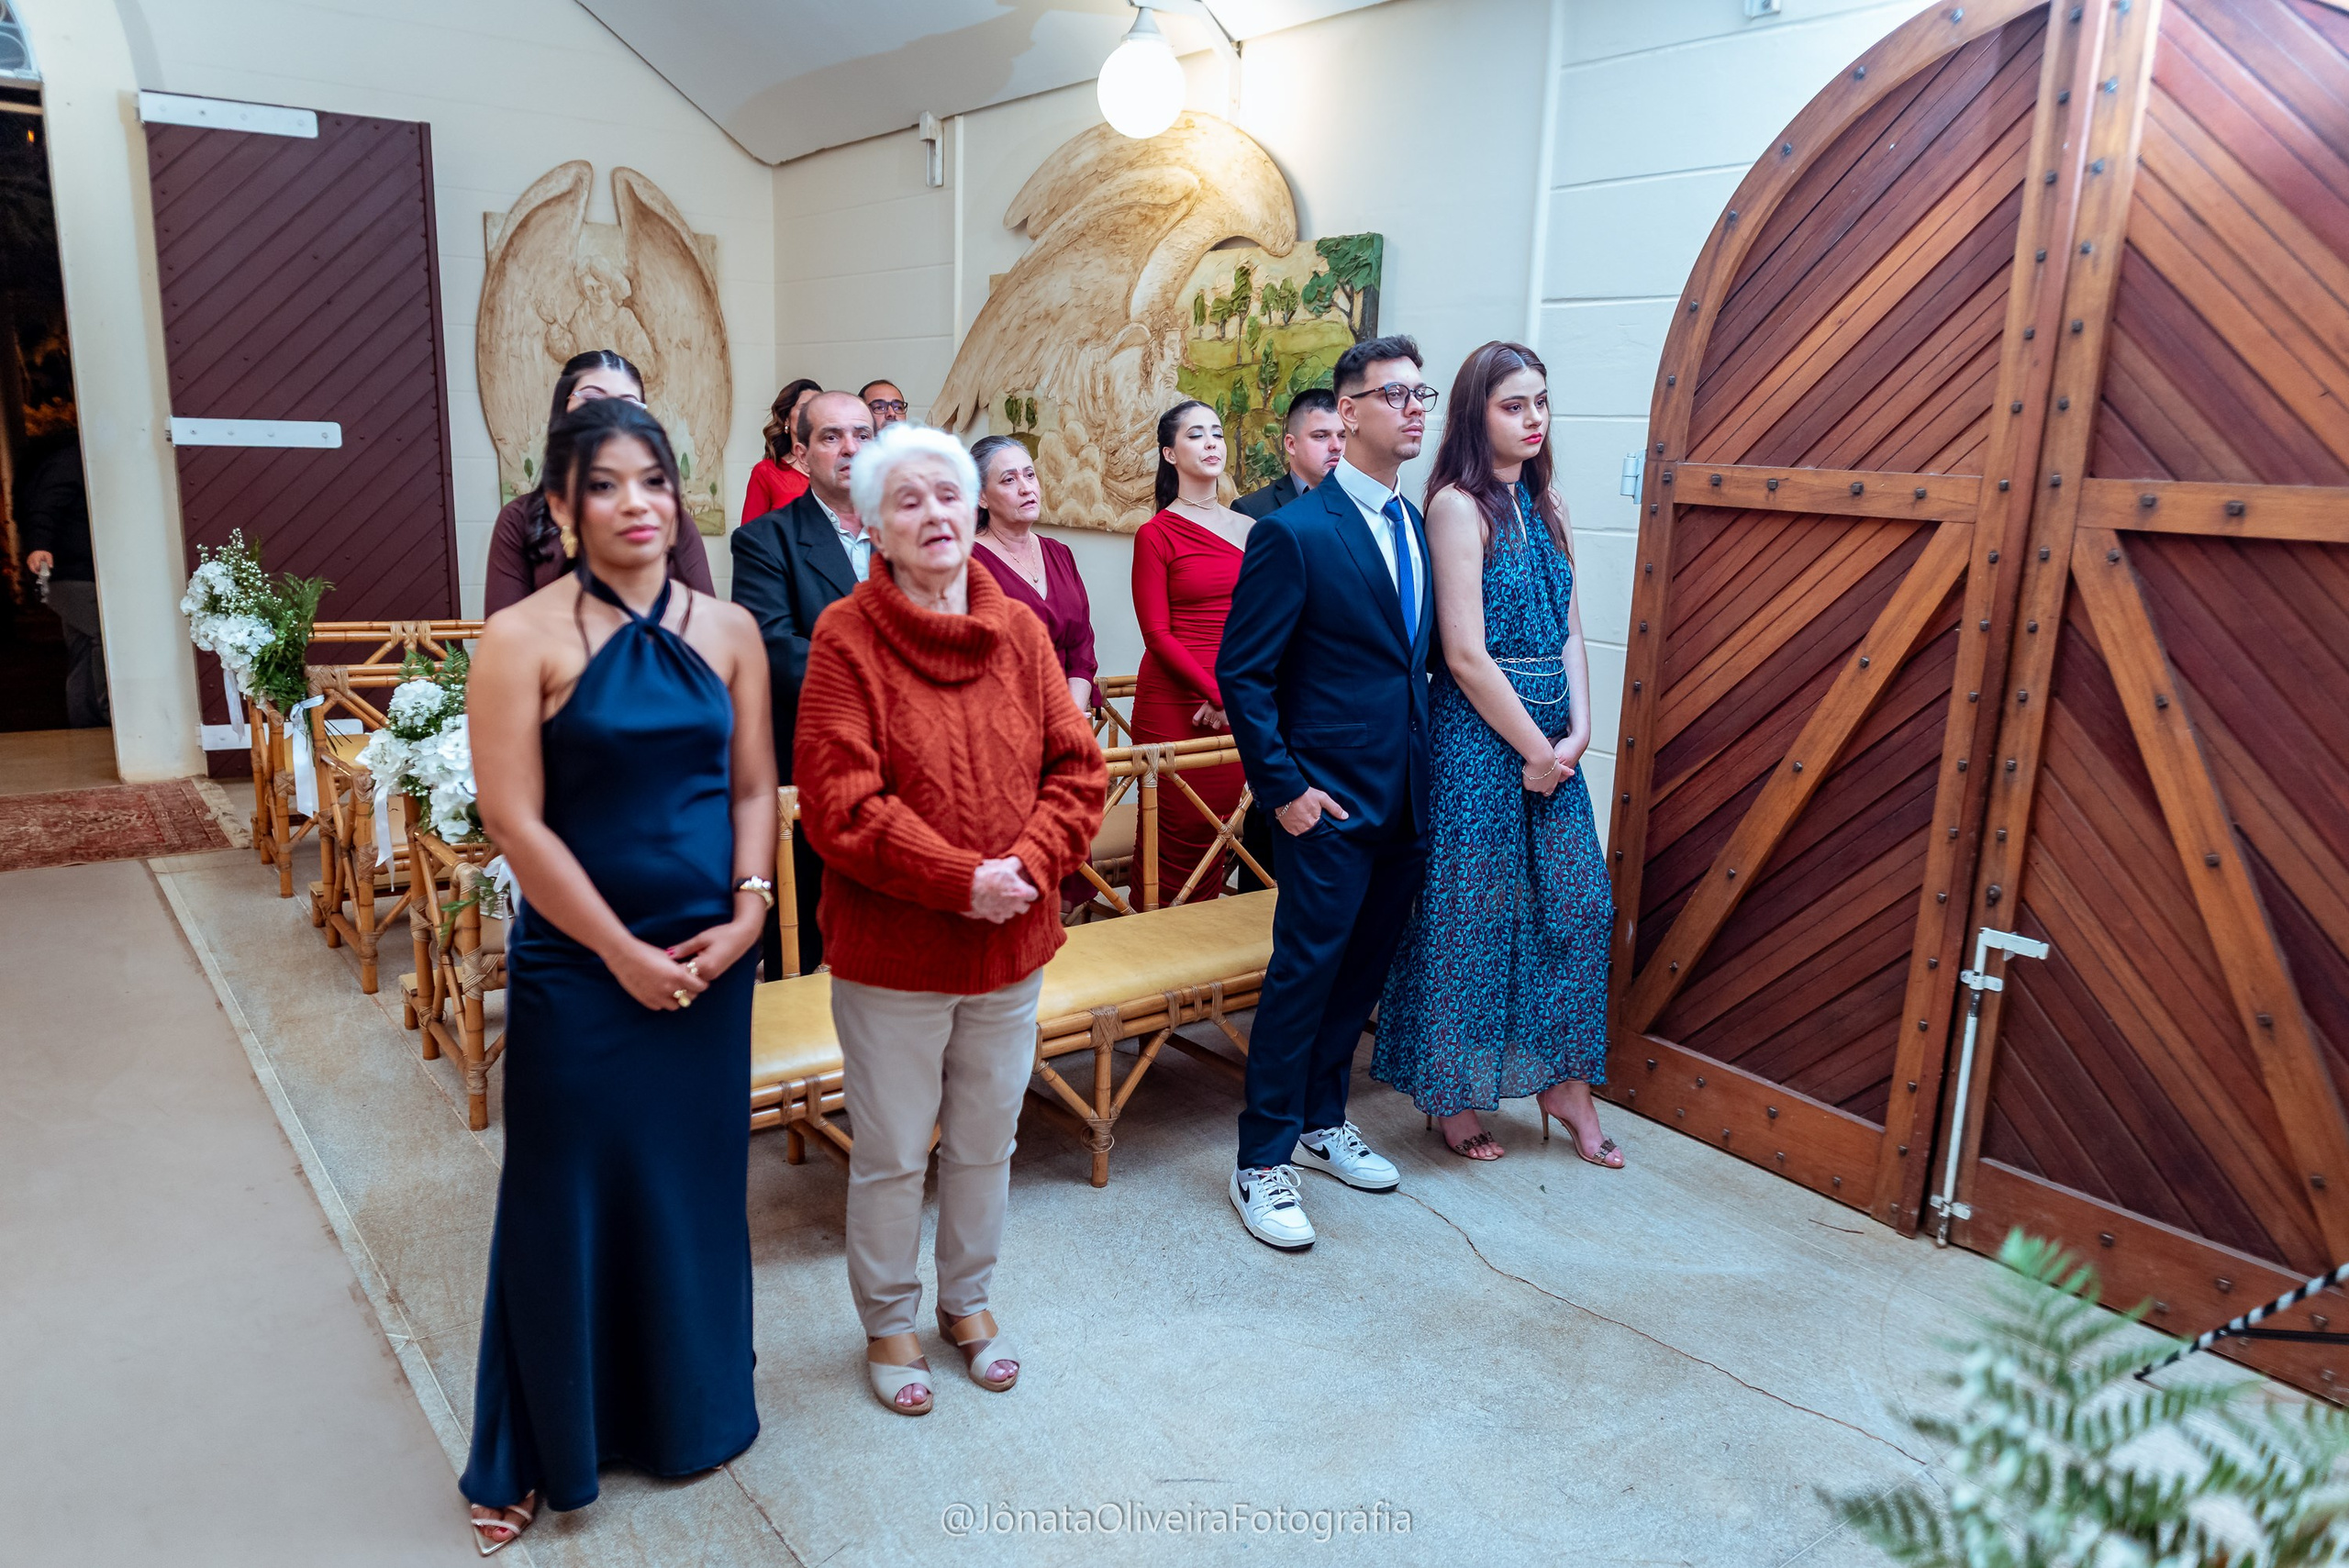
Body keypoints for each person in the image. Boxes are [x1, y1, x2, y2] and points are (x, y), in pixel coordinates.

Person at [459, 397, 775, 1551]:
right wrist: (618, 953)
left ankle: (689, 1411)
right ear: (559, 505)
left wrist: (750, 913)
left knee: (689, 1186)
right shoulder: (520, 637)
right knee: (563, 1193)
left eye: (654, 480)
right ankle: (536, 1443)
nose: (637, 504)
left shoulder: (730, 628)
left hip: (711, 957)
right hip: (581, 970)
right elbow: (516, 821)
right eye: (606, 484)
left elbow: (751, 790)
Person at [795, 423, 1105, 1416]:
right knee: (891, 1150)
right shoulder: (845, 636)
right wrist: (962, 876)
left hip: (1010, 940)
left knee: (986, 1138)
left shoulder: (1017, 628)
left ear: (974, 511)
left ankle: (967, 1301)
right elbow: (841, 803)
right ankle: (889, 1316)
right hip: (896, 951)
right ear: (873, 527)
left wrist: (1028, 864)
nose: (935, 514)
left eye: (948, 496)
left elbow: (1076, 766)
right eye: (909, 500)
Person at [1216, 334, 1436, 1250]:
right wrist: (1287, 791)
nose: (1415, 407)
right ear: (1347, 414)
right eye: (1395, 394)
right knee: (1303, 976)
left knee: (1360, 973)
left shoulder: (1412, 521)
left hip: (1405, 799)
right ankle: (1259, 1157)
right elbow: (1244, 673)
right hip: (1326, 803)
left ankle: (1319, 1118)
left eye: (1421, 392)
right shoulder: (1295, 531)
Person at [1375, 342, 1617, 1166]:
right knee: (1471, 916)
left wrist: (1580, 733)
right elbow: (1466, 654)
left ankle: (1564, 1080)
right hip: (1480, 740)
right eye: (1515, 405)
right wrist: (1535, 749)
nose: (1534, 418)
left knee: (1580, 907)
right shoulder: (1454, 505)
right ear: (1477, 413)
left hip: (1554, 738)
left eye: (1541, 402)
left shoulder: (1553, 508)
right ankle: (1456, 1092)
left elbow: (1573, 631)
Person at [729, 389, 874, 976]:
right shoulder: (766, 541)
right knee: (811, 941)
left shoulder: (915, 529)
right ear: (801, 452)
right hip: (819, 763)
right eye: (832, 436)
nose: (850, 448)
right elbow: (776, 648)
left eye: (863, 434)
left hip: (914, 765)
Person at [483, 350, 713, 614]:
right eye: (592, 400)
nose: (610, 415)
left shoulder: (668, 518)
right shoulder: (519, 519)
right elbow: (508, 636)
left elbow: (705, 626)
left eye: (627, 404)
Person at [1130, 402, 1251, 902]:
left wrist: (1235, 696)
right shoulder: (1155, 533)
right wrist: (1216, 694)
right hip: (1176, 702)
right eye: (1196, 435)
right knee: (1171, 840)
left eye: (1217, 434)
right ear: (1169, 453)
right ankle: (1151, 955)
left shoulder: (1250, 530)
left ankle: (1209, 957)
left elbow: (1261, 623)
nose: (1211, 444)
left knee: (1217, 836)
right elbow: (1156, 634)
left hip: (1235, 699)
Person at [968, 434, 1097, 713]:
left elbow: (1082, 647)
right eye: (1009, 480)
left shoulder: (1059, 553)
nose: (1027, 488)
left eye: (1030, 475)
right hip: (1000, 720)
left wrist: (1071, 717)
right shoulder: (967, 562)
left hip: (1067, 717)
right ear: (981, 496)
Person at [19, 434, 107, 728]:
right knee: (104, 638)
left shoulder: (64, 461)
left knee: (83, 647)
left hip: (71, 574)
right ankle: (109, 713)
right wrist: (39, 543)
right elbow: (45, 505)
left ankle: (86, 722)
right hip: (74, 573)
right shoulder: (69, 462)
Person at [1234, 387, 1344, 520]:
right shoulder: (1252, 510)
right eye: (1321, 436)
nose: (1336, 446)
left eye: (1343, 436)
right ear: (1291, 445)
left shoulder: (1364, 500)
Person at [741, 376, 821, 525]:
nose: (814, 415)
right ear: (786, 419)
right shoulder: (766, 472)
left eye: (819, 409)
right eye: (805, 408)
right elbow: (750, 539)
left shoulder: (837, 471)